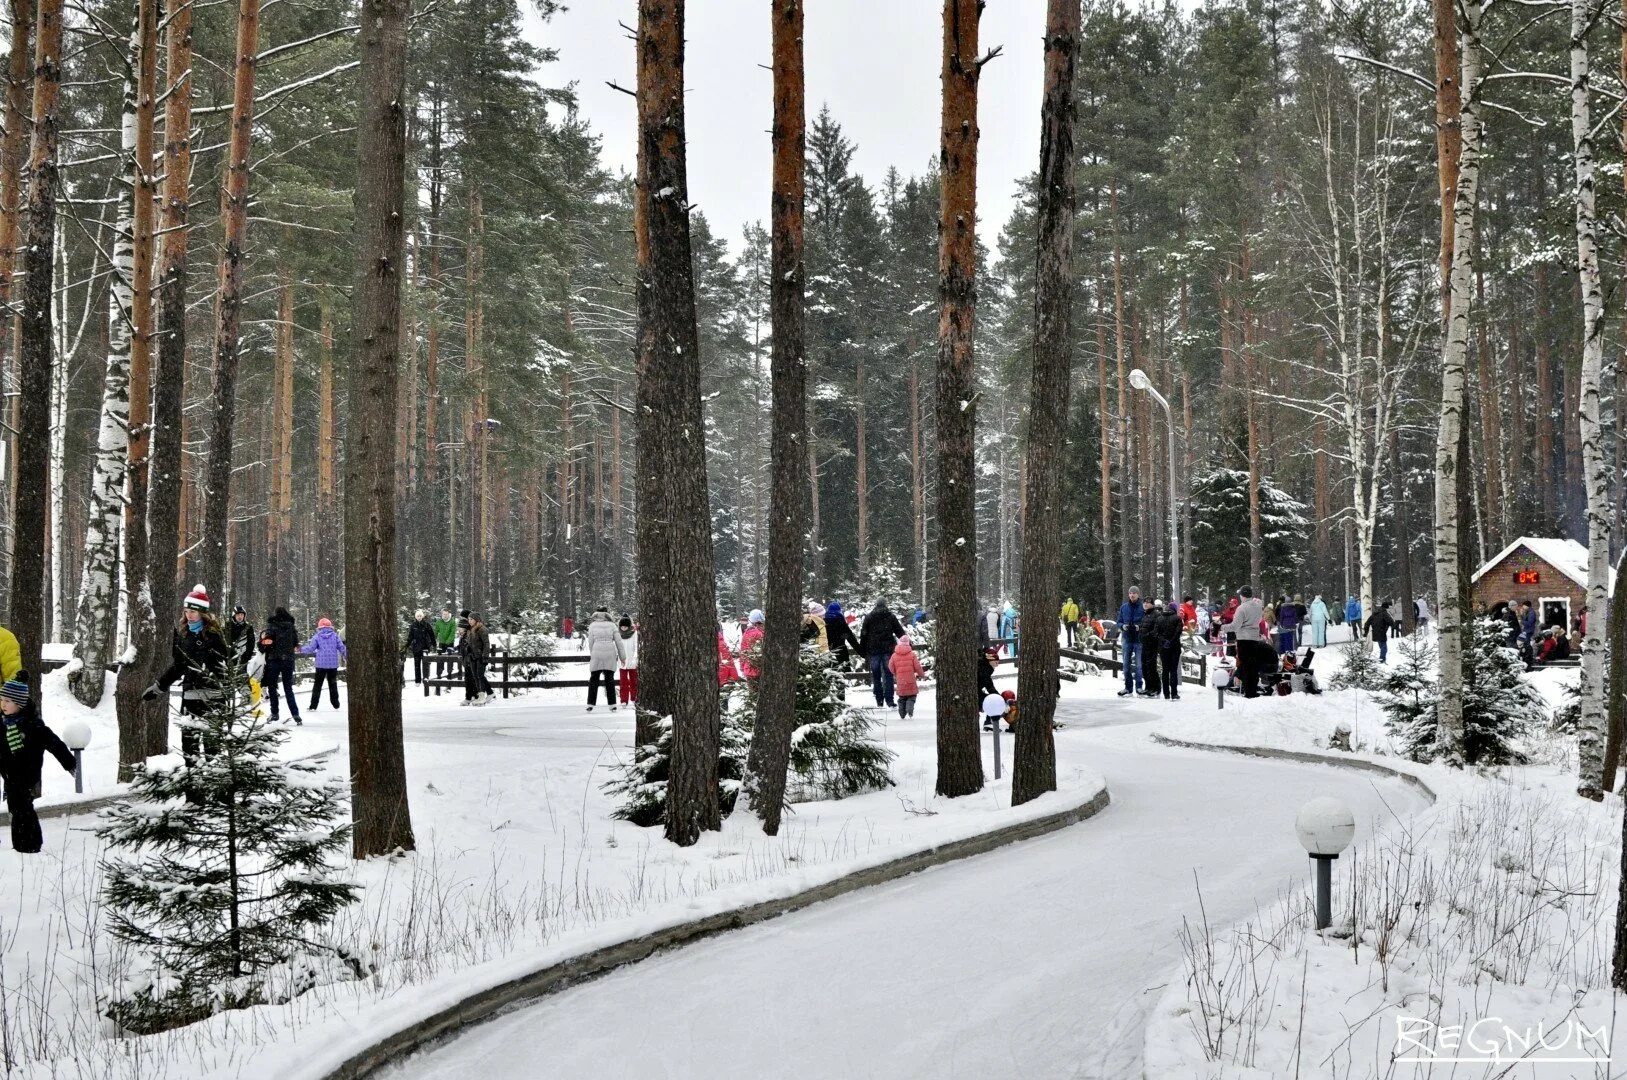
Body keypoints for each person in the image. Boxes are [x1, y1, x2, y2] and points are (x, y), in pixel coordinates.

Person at [145, 585, 232, 771]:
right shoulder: (183, 635)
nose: (189, 615)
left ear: (203, 613)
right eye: (186, 611)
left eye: (193, 611)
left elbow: (225, 664)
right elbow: (179, 666)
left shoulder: (214, 635)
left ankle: (212, 790)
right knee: (189, 749)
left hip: (213, 698)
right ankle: (193, 793)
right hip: (190, 697)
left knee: (212, 750)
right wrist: (159, 686)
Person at [0, 676, 74, 853]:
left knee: (22, 808)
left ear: (19, 704)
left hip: (27, 773)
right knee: (16, 808)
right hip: (9, 773)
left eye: (8, 701)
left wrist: (69, 762)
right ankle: (21, 844)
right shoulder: (2, 724)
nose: (3, 704)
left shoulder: (32, 725)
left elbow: (54, 743)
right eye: (1, 699)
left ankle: (30, 845)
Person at [860, 600, 906, 709]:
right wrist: (907, 642)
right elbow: (899, 631)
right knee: (889, 674)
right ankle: (890, 700)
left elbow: (863, 635)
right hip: (888, 649)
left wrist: (862, 651)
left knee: (876, 676)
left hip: (874, 650)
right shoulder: (890, 617)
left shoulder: (869, 617)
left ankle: (879, 700)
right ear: (885, 605)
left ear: (876, 605)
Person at [258, 606, 301, 724]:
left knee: (272, 686)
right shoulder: (291, 627)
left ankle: (275, 712)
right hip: (288, 660)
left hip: (274, 660)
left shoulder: (272, 626)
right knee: (288, 688)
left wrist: (262, 643)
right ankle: (295, 714)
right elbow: (295, 643)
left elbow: (266, 643)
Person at [1225, 587, 1268, 698]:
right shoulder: (1258, 607)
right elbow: (1259, 621)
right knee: (1253, 665)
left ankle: (1248, 691)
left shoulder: (1241, 608)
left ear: (1242, 595)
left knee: (1245, 665)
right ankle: (1252, 690)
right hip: (1254, 639)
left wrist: (1222, 627)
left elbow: (1235, 626)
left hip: (1244, 639)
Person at [299, 618, 348, 711]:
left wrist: (300, 649)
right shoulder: (335, 636)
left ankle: (313, 705)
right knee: (333, 684)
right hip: (332, 665)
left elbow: (310, 648)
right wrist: (347, 657)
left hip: (320, 665)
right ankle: (336, 703)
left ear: (320, 627)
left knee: (317, 685)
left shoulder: (317, 636)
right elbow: (342, 648)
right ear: (330, 627)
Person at [584, 608, 624, 711]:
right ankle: (612, 704)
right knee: (609, 679)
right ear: (607, 614)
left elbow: (590, 642)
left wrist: (593, 653)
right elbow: (619, 642)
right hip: (610, 652)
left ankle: (590, 704)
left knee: (594, 678)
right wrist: (622, 657)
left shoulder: (592, 625)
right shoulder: (612, 625)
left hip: (597, 652)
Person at [1116, 586, 1146, 697]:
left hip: (1138, 639)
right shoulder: (1124, 607)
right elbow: (1118, 621)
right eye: (1130, 593)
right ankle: (1128, 688)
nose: (1132, 595)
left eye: (1134, 593)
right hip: (1127, 638)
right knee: (1126, 665)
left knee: (1139, 665)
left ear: (1138, 594)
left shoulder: (1142, 607)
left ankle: (1139, 687)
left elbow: (1146, 622)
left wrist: (1139, 627)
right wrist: (1123, 626)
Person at [889, 635, 925, 719]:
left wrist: (895, 673)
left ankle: (902, 712)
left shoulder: (894, 655)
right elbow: (917, 667)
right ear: (908, 644)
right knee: (912, 696)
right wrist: (922, 675)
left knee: (902, 697)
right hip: (910, 679)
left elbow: (890, 666)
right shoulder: (912, 655)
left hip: (900, 680)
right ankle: (909, 708)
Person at [459, 614, 493, 705]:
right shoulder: (470, 630)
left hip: (480, 656)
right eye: (469, 619)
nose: (469, 621)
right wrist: (468, 650)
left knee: (480, 676)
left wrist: (485, 656)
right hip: (473, 657)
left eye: (471, 619)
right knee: (475, 676)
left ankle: (482, 696)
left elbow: (486, 644)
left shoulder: (482, 629)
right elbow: (470, 644)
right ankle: (483, 694)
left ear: (476, 620)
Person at [1157, 601, 1185, 700]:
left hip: (1163, 648)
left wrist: (1164, 641)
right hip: (1174, 647)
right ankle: (1174, 693)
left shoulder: (1159, 619)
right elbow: (1178, 632)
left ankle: (1166, 693)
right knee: (1173, 670)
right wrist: (1171, 641)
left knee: (1165, 670)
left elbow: (1157, 633)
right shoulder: (1177, 619)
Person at [1139, 600, 1165, 698]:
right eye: (1144, 602)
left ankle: (1156, 688)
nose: (1145, 604)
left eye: (1148, 603)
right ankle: (1148, 687)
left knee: (1151, 667)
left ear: (1152, 604)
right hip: (1144, 644)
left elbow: (1157, 630)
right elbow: (1143, 627)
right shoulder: (1145, 615)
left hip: (1152, 644)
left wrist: (1148, 636)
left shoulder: (1156, 615)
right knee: (1145, 666)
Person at [824, 602, 860, 667]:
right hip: (841, 652)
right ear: (839, 611)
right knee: (845, 673)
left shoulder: (823, 622)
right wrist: (861, 652)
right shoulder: (840, 622)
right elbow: (850, 638)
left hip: (826, 653)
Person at [407, 610, 436, 685]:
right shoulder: (413, 625)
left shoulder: (426, 625)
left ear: (422, 616)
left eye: (420, 616)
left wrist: (434, 644)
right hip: (416, 647)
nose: (419, 617)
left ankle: (426, 678)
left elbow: (432, 635)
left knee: (425, 664)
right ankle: (418, 681)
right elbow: (410, 637)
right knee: (417, 665)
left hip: (425, 647)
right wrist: (407, 645)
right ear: (416, 617)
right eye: (417, 616)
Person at [739, 609, 765, 682]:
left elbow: (743, 651)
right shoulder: (762, 633)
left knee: (753, 692)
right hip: (761, 670)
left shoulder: (746, 633)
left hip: (748, 670)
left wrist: (742, 666)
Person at [617, 616, 639, 703]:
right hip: (622, 662)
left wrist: (635, 658)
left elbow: (636, 646)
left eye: (625, 626)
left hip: (632, 661)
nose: (623, 628)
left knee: (634, 682)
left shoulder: (634, 633)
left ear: (629, 626)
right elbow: (617, 647)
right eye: (622, 626)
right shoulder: (618, 634)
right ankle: (623, 700)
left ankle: (634, 698)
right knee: (623, 682)